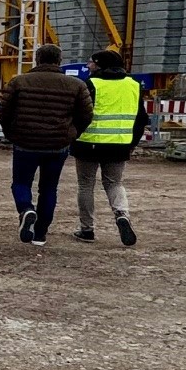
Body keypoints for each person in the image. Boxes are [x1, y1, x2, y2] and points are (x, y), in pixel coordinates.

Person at [0, 43, 93, 245]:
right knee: (49, 189)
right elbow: (86, 116)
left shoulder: (19, 82)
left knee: (21, 183)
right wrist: (71, 134)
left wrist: (12, 134)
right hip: (57, 145)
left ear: (37, 59)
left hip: (25, 143)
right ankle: (40, 234)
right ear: (60, 60)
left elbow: (4, 114)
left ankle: (26, 209)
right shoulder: (76, 85)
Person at [72, 48, 148, 246]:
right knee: (114, 183)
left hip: (89, 144)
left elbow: (79, 114)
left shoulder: (91, 84)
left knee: (86, 185)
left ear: (99, 65)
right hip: (119, 144)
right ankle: (122, 214)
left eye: (91, 62)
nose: (88, 65)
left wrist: (73, 137)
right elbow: (141, 118)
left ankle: (87, 229)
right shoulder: (133, 85)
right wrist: (132, 143)